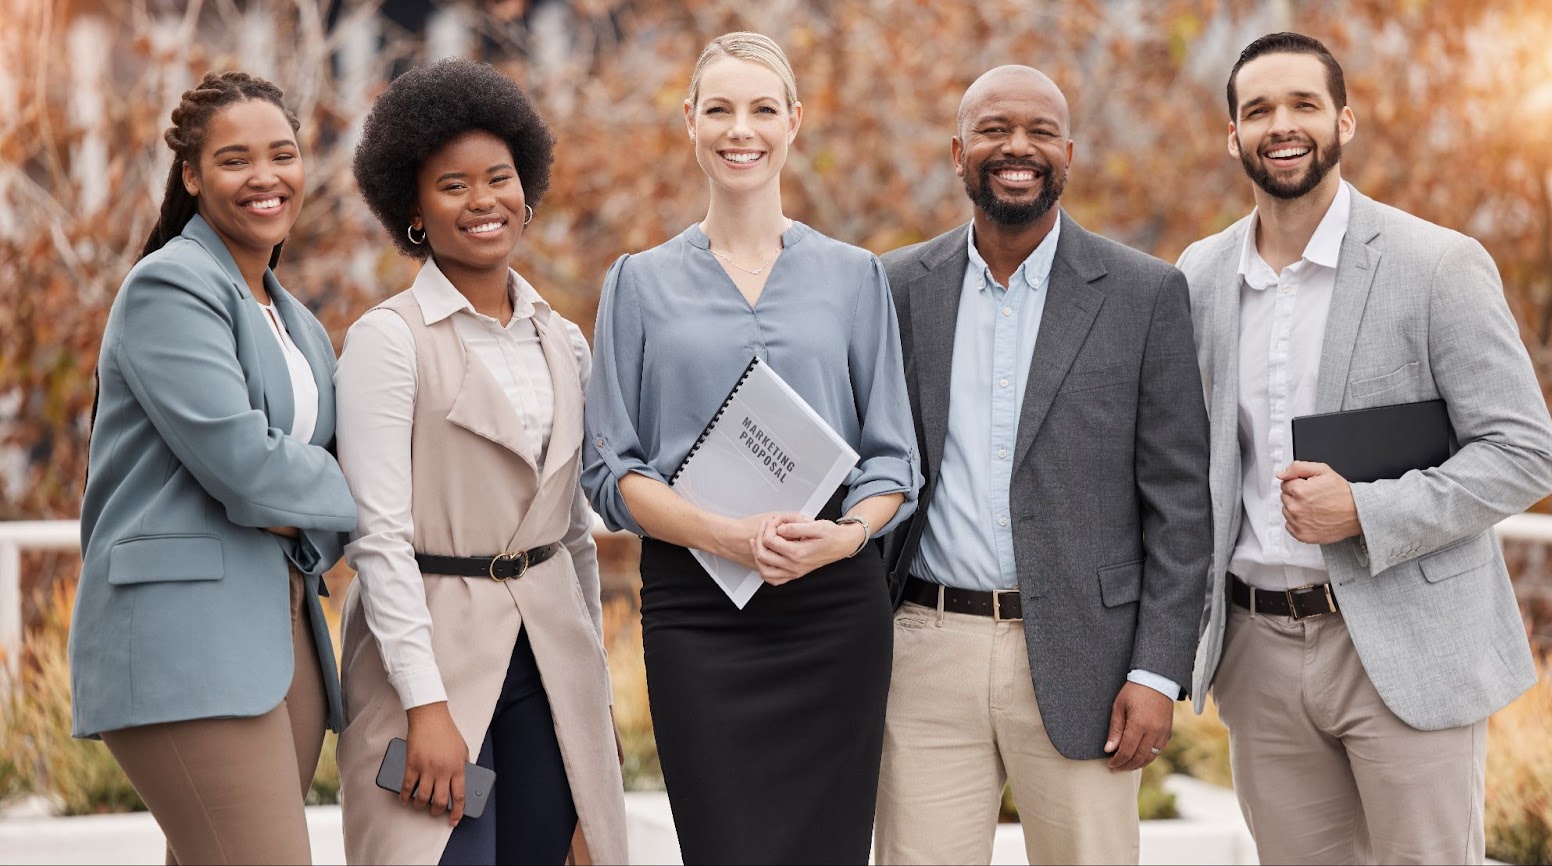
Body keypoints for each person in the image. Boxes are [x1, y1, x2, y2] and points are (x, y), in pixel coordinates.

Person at [1178, 32, 1552, 865]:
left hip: (1405, 642)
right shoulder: (1200, 276)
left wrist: (1367, 508)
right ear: (1233, 136)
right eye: (1258, 110)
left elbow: (1525, 451)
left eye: (1303, 105)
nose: (1281, 125)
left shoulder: (1437, 264)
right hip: (1257, 652)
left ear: (1345, 121)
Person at [582, 31, 921, 865]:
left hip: (833, 610)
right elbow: (611, 471)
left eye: (763, 108)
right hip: (698, 615)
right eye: (721, 109)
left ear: (795, 121)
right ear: (689, 121)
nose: (743, 129)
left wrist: (844, 538)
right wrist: (726, 538)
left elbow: (892, 460)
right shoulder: (637, 282)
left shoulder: (853, 276)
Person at [874, 65, 1212, 866]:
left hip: (1089, 662)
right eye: (993, 130)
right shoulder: (893, 288)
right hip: (923, 649)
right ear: (959, 153)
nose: (1015, 148)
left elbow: (1181, 508)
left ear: (1070, 152)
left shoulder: (1146, 294)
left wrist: (1158, 672)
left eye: (1038, 132)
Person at [335, 58, 626, 866]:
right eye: (452, 185)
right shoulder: (387, 341)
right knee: (442, 854)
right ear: (414, 211)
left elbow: (571, 536)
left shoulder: (563, 340)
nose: (482, 201)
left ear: (527, 190)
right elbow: (378, 537)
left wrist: (591, 703)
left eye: (498, 178)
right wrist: (425, 706)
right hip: (431, 656)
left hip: (547, 658)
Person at [69, 71, 356, 865]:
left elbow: (299, 471)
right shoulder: (170, 285)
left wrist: (308, 502)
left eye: (283, 155)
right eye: (235, 160)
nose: (265, 178)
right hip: (183, 637)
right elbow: (246, 469)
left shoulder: (294, 318)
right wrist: (372, 501)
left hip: (279, 632)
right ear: (192, 175)